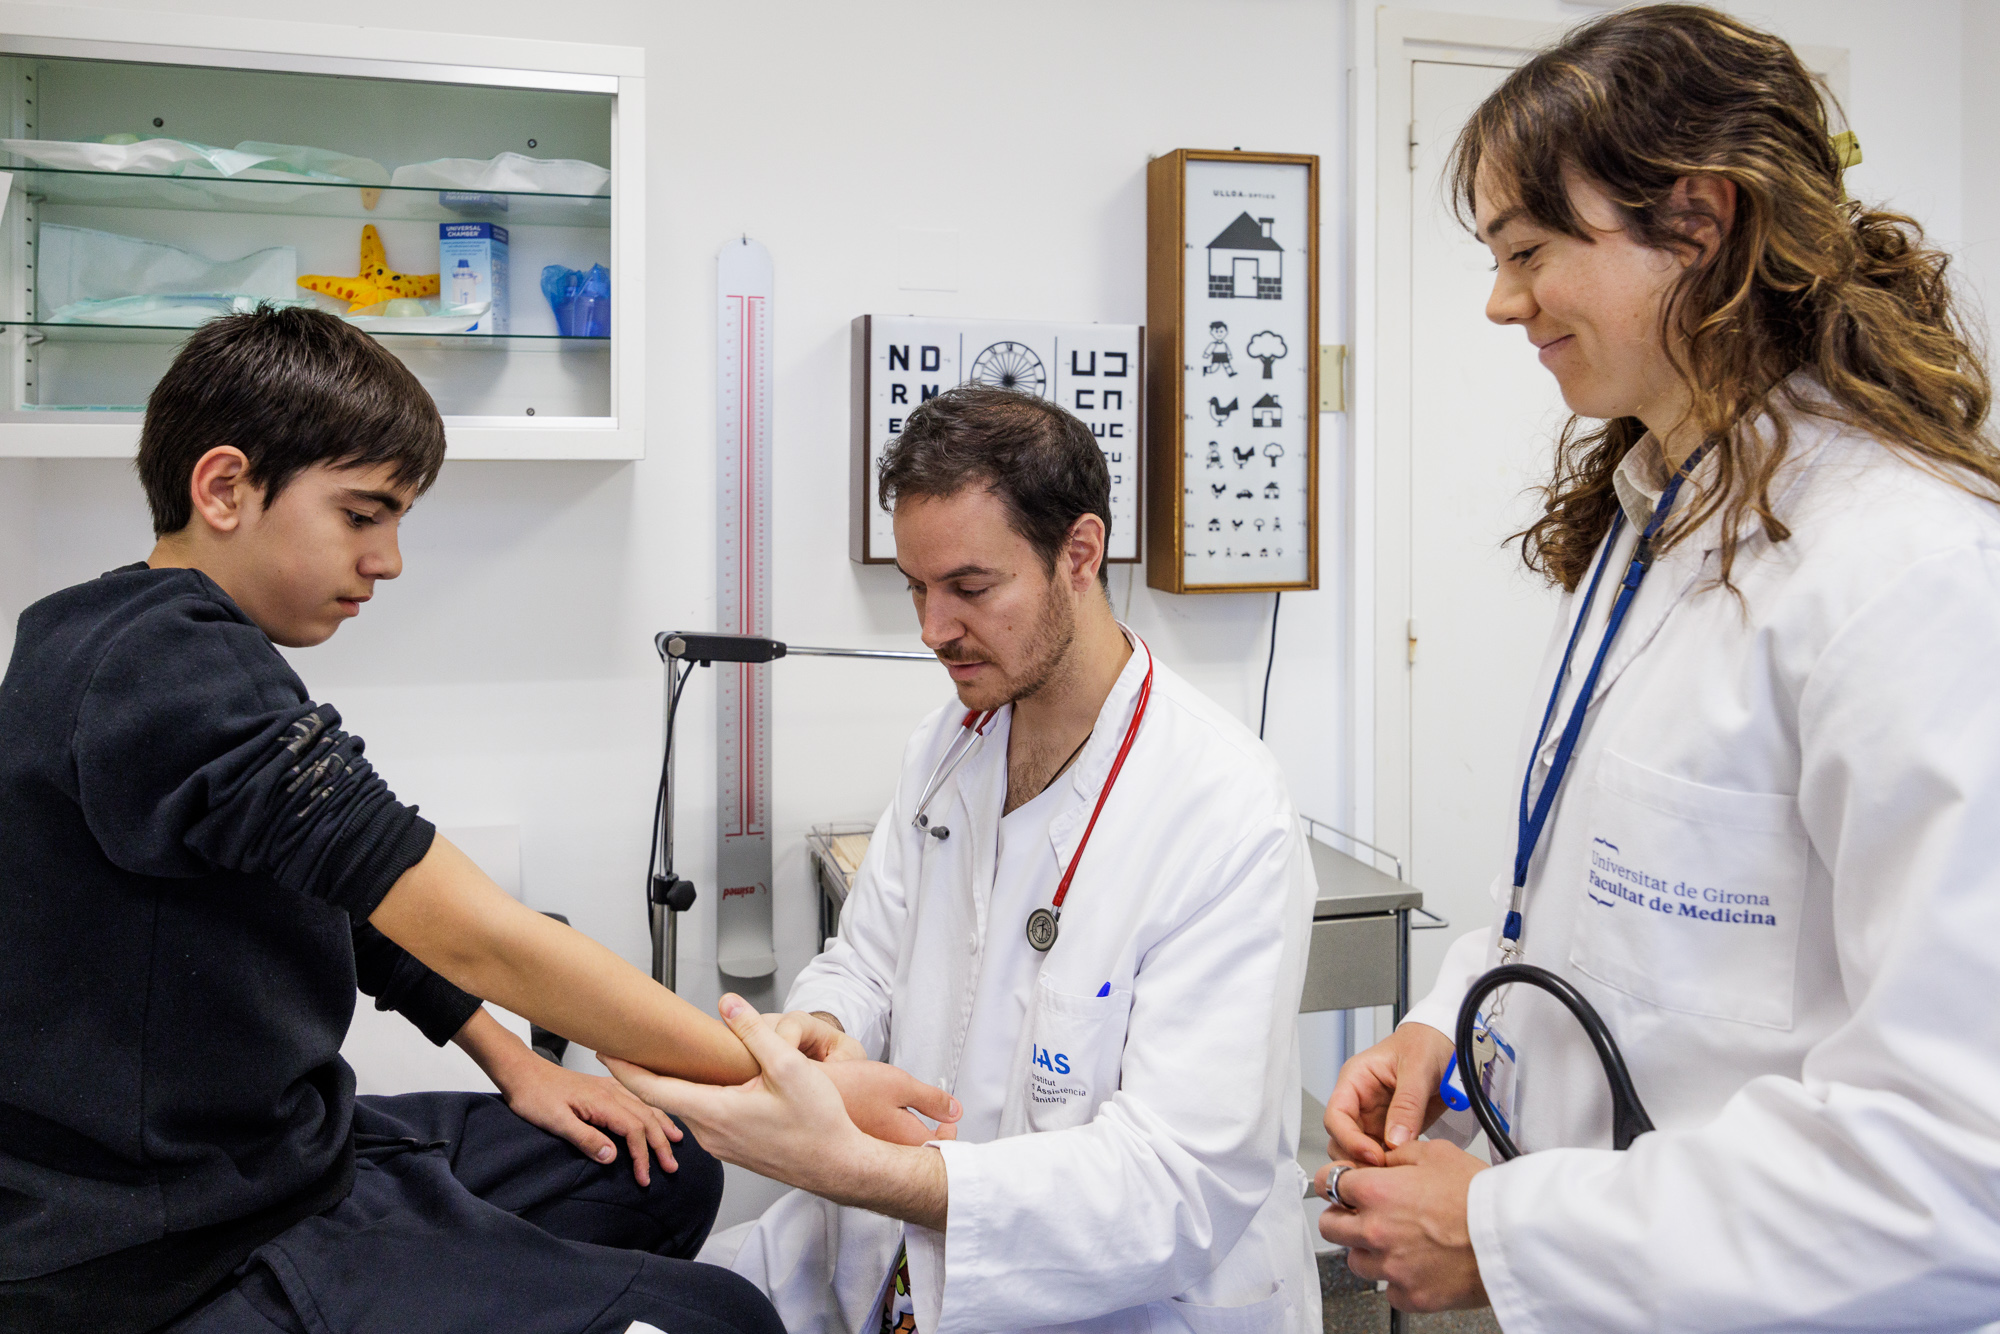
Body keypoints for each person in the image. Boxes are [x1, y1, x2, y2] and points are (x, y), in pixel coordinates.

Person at [0, 307, 952, 1334]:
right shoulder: (171, 665)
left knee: (660, 1169)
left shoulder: (102, 632)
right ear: (225, 486)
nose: (390, 559)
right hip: (171, 1246)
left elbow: (344, 900)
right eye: (363, 514)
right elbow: (479, 932)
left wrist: (517, 1060)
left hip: (276, 1151)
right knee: (723, 1317)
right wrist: (783, 1079)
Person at [1314, 6, 2000, 1330]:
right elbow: (1596, 916)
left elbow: (1958, 1163)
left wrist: (1505, 1228)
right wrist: (1449, 1032)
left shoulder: (1915, 578)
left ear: (1698, 222)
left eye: (1529, 249)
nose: (1502, 298)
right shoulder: (1656, 513)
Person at [611, 385, 1320, 1332]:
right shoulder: (950, 744)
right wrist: (826, 1024)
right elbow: (870, 958)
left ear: (1079, 552)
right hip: (911, 1253)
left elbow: (1174, 1187)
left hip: (1127, 1301)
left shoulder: (1224, 810)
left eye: (970, 588)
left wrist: (859, 1167)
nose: (932, 627)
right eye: (917, 586)